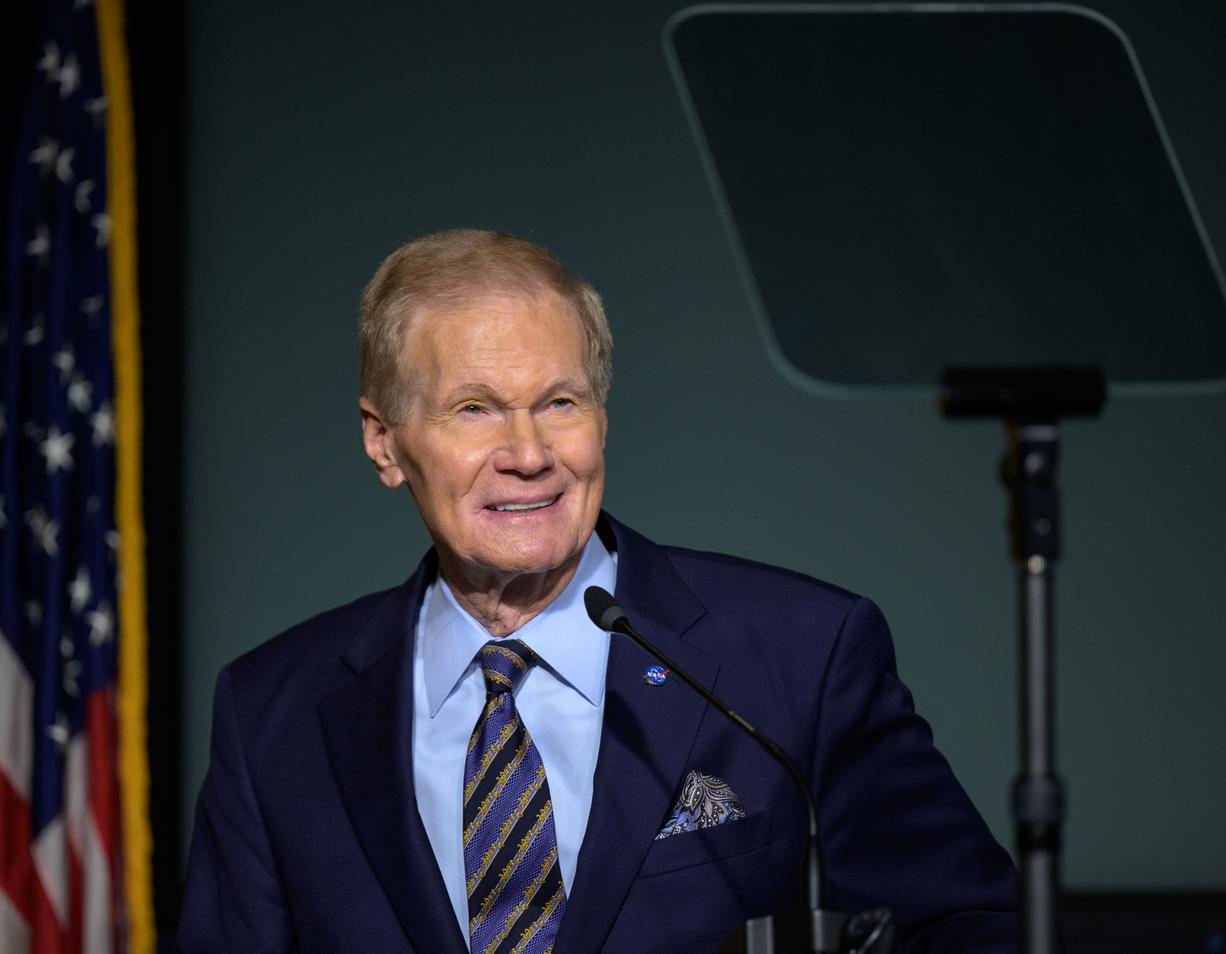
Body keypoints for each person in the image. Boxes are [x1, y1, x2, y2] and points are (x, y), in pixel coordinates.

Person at [179, 229, 1016, 953]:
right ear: (385, 442)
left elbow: (966, 926)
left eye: (560, 402)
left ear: (602, 417)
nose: (529, 452)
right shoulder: (271, 716)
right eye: (475, 409)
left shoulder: (801, 655)